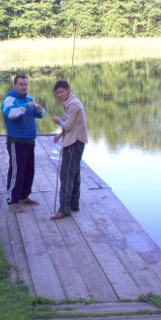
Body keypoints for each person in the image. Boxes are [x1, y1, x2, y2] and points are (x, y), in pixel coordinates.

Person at [0, 75, 44, 213]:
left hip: (30, 140)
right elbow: (11, 114)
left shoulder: (29, 99)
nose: (24, 87)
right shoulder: (9, 100)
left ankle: (24, 196)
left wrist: (39, 111)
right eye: (21, 84)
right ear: (15, 85)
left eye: (25, 84)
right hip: (16, 141)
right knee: (16, 171)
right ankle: (12, 201)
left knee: (28, 170)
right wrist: (25, 106)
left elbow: (41, 115)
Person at [50, 80, 88, 220]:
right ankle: (73, 204)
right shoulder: (71, 101)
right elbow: (72, 125)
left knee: (66, 175)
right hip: (75, 140)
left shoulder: (73, 104)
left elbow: (68, 126)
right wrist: (60, 135)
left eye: (61, 92)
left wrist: (58, 120)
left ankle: (64, 209)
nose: (59, 95)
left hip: (74, 143)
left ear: (68, 90)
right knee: (74, 173)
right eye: (57, 93)